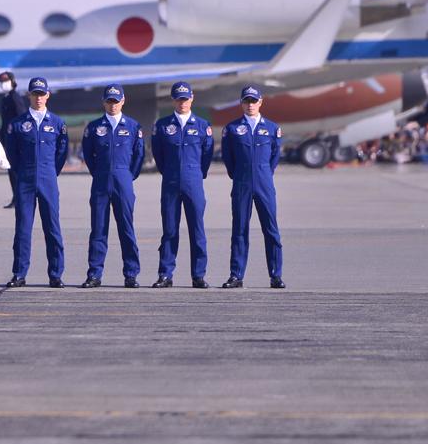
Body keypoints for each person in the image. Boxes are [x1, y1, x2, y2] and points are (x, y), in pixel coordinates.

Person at [4, 77, 69, 288]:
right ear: (29, 95)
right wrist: (24, 170)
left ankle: (56, 274)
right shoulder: (18, 124)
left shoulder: (57, 123)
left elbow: (62, 152)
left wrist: (50, 171)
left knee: (52, 227)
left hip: (48, 177)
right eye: (35, 94)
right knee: (23, 228)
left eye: (42, 94)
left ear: (48, 95)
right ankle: (19, 273)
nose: (38, 98)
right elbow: (12, 153)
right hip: (26, 178)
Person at [80, 84, 145, 288]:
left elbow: (139, 156)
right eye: (109, 101)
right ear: (104, 102)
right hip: (100, 181)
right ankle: (95, 274)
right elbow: (88, 155)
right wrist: (100, 172)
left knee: (126, 228)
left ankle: (131, 274)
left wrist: (126, 175)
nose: (113, 105)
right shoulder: (93, 127)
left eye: (116, 101)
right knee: (98, 229)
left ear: (123, 101)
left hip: (123, 179)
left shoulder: (133, 127)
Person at [150, 81, 214, 289]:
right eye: (179, 98)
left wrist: (196, 174)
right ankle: (165, 274)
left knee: (197, 230)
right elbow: (158, 154)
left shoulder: (203, 126)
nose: (182, 102)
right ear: (173, 100)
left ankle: (198, 275)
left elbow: (207, 155)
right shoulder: (162, 126)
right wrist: (169, 171)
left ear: (192, 98)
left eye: (185, 98)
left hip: (193, 182)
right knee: (169, 230)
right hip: (170, 183)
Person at [220, 86, 285, 289]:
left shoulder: (272, 128)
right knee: (239, 229)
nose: (250, 105)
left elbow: (275, 156)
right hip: (242, 183)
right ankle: (236, 274)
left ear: (260, 102)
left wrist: (263, 172)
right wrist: (240, 174)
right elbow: (228, 158)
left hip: (264, 183)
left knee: (271, 229)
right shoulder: (231, 129)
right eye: (246, 101)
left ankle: (275, 275)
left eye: (253, 101)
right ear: (241, 103)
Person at [0, 70, 28, 209]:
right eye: (2, 82)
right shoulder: (6, 97)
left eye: (5, 82)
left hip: (15, 140)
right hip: (7, 139)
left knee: (15, 171)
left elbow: (21, 119)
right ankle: (16, 197)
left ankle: (20, 198)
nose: (3, 84)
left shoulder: (15, 98)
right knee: (11, 171)